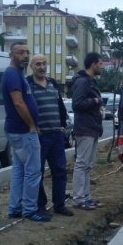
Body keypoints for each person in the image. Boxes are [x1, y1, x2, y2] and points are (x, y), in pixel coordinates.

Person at [2, 42, 51, 222]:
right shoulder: (13, 75)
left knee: (19, 170)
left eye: (26, 52)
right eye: (20, 52)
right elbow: (18, 102)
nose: (25, 55)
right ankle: (30, 210)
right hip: (23, 130)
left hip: (16, 129)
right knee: (32, 171)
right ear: (11, 55)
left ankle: (15, 207)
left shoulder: (17, 74)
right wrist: (31, 125)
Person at [27, 54, 74, 217]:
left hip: (56, 135)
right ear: (31, 67)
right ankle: (40, 206)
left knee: (60, 171)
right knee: (37, 172)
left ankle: (59, 204)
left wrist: (63, 125)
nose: (42, 67)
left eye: (44, 63)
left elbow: (60, 105)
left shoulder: (53, 83)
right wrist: (33, 127)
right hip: (39, 137)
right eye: (38, 64)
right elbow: (24, 109)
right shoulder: (28, 84)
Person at [71, 51, 104, 210]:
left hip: (92, 128)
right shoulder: (82, 82)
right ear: (93, 64)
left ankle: (86, 196)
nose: (102, 66)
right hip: (85, 129)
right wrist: (95, 100)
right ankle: (78, 199)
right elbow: (77, 104)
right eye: (100, 63)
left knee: (88, 165)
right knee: (82, 163)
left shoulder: (90, 81)